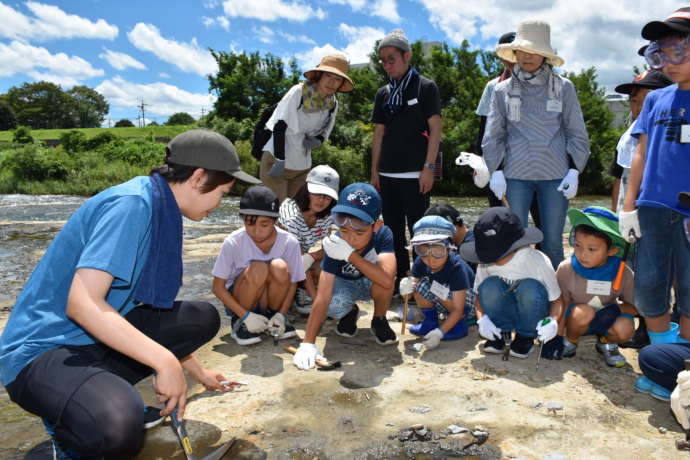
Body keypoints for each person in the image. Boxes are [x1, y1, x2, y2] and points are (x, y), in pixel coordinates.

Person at [0, 129, 260, 459]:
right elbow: (81, 303)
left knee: (201, 318)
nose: (218, 203)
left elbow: (138, 306)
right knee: (119, 425)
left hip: (90, 341)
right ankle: (65, 438)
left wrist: (197, 372)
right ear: (198, 178)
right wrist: (164, 361)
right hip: (41, 351)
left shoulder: (159, 207)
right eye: (222, 192)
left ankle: (95, 394)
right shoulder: (132, 205)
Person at [483, 19, 590, 270]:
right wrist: (495, 170)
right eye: (522, 51)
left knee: (552, 241)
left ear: (545, 55)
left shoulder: (564, 87)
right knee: (515, 241)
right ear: (515, 52)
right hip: (514, 176)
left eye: (534, 51)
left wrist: (575, 170)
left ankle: (555, 299)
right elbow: (493, 135)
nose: (527, 57)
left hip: (555, 176)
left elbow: (576, 132)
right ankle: (519, 291)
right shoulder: (502, 90)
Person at [622, 7, 690, 398]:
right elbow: (640, 154)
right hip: (652, 207)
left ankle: (680, 373)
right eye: (660, 53)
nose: (668, 62)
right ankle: (660, 360)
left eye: (678, 51)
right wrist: (629, 205)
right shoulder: (654, 100)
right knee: (649, 286)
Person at [293, 183, 398, 370]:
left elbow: (387, 280)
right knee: (333, 305)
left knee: (385, 283)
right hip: (344, 284)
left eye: (359, 232)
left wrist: (350, 255)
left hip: (371, 283)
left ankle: (379, 319)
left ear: (376, 226)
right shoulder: (335, 243)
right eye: (344, 231)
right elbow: (323, 297)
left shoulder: (383, 234)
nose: (350, 239)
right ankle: (349, 312)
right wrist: (308, 343)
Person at [371, 29, 442, 292]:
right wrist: (374, 172)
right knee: (392, 233)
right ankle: (398, 281)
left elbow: (436, 129)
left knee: (420, 232)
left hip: (416, 174)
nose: (387, 65)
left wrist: (429, 168)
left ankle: (422, 282)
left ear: (407, 56)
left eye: (392, 58)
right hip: (387, 174)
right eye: (383, 60)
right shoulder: (383, 94)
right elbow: (378, 134)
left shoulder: (426, 87)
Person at [460, 207, 564, 359]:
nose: (492, 258)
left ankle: (525, 337)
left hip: (533, 312)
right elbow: (478, 296)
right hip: (503, 312)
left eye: (496, 253)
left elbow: (557, 299)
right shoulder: (485, 263)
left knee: (530, 287)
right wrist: (482, 318)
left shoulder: (536, 260)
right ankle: (501, 333)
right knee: (489, 286)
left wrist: (553, 321)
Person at [212, 186, 305, 346]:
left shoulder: (290, 243)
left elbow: (294, 281)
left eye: (264, 225)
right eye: (249, 223)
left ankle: (274, 317)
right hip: (241, 301)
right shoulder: (233, 242)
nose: (256, 231)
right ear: (243, 219)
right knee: (258, 268)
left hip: (272, 300)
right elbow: (218, 288)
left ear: (275, 221)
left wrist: (282, 314)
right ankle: (241, 321)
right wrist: (245, 315)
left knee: (280, 267)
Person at [260, 54, 353, 202]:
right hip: (277, 160)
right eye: (328, 75)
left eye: (338, 79)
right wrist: (280, 160)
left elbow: (325, 132)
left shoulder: (333, 103)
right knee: (275, 213)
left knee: (295, 214)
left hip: (302, 166)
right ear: (319, 75)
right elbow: (279, 126)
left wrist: (318, 141)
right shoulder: (298, 92)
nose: (332, 82)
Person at [556, 207, 637, 367]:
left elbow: (637, 307)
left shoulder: (623, 272)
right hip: (577, 322)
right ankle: (571, 341)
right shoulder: (566, 268)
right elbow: (561, 303)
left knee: (625, 328)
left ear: (612, 251)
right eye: (577, 245)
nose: (582, 254)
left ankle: (607, 343)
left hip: (608, 319)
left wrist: (616, 309)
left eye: (591, 249)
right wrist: (557, 338)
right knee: (583, 312)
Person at [398, 216, 474, 349]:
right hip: (443, 300)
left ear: (449, 248)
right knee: (418, 285)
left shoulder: (457, 268)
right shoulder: (420, 262)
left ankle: (459, 326)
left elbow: (458, 309)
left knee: (437, 288)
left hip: (465, 306)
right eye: (422, 251)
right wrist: (405, 290)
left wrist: (440, 333)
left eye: (438, 251)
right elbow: (409, 294)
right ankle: (430, 322)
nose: (431, 259)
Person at [278, 165, 339, 314]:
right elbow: (296, 259)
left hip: (301, 256)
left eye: (327, 196)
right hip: (278, 259)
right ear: (307, 189)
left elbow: (331, 247)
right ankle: (311, 297)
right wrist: (320, 305)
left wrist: (312, 256)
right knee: (302, 264)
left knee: (327, 264)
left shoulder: (328, 215)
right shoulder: (291, 216)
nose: (322, 200)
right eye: (317, 193)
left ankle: (304, 291)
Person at [611, 70, 673, 213]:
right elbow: (619, 178)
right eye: (634, 101)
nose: (639, 108)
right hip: (628, 213)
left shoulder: (675, 134)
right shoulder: (626, 140)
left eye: (647, 100)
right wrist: (614, 216)